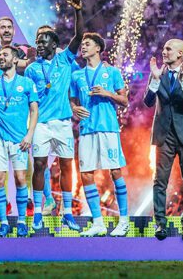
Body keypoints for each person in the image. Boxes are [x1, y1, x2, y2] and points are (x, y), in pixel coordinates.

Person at [24, 0, 83, 233]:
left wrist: (78, 11)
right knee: (39, 165)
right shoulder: (31, 69)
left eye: (43, 41)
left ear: (54, 44)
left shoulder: (65, 60)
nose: (39, 44)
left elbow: (79, 37)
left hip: (62, 123)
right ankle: (38, 213)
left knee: (67, 165)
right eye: (37, 41)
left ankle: (67, 213)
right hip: (40, 124)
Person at [70, 33, 129, 237]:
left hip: (108, 128)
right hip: (87, 129)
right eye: (82, 45)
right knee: (86, 173)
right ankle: (98, 223)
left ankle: (124, 221)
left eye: (87, 44)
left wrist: (107, 93)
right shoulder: (77, 75)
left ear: (98, 48)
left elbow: (125, 101)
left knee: (115, 171)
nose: (83, 47)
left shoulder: (112, 72)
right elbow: (72, 100)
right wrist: (74, 108)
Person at [144, 39, 183, 242]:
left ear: (180, 54)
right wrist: (154, 79)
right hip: (164, 134)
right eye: (163, 48)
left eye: (168, 49)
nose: (164, 51)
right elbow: (148, 101)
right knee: (160, 181)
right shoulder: (158, 74)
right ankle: (160, 223)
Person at [0, 46, 39, 238]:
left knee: (21, 179)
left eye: (5, 55)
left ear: (15, 60)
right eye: (0, 55)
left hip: (19, 139)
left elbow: (34, 110)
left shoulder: (27, 83)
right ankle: (4, 222)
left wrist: (29, 135)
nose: (1, 58)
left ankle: (22, 221)